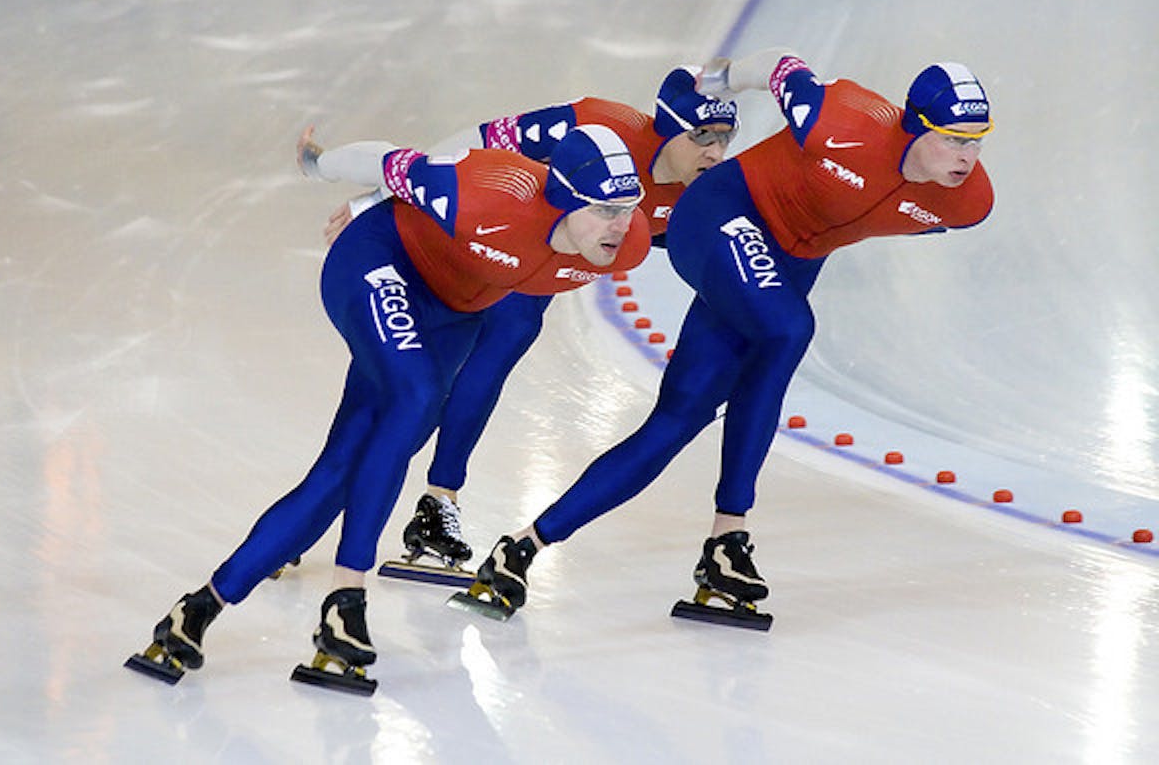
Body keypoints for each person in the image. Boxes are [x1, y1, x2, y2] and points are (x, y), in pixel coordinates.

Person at [459, 50, 995, 624]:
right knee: (789, 329)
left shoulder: (968, 203)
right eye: (953, 139)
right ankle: (731, 533)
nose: (967, 156)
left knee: (680, 418)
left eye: (977, 141)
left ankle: (522, 547)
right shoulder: (841, 119)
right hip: (721, 216)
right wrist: (714, 78)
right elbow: (780, 70)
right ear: (916, 125)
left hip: (787, 260)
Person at [125, 123, 653, 693]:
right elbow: (390, 162)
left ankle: (198, 610)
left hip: (454, 313)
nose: (620, 225)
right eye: (604, 209)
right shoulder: (485, 192)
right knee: (418, 396)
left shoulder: (631, 240)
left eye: (628, 208)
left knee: (343, 470)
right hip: (379, 264)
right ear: (565, 198)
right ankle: (345, 597)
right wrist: (324, 168)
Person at [324, 67, 740, 575]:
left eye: (725, 138)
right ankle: (350, 505)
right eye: (702, 137)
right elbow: (472, 146)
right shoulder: (598, 124)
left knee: (507, 335)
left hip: (548, 263)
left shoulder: (702, 191)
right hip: (495, 238)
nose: (716, 152)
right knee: (466, 356)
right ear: (668, 129)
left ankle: (434, 499)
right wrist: (384, 197)